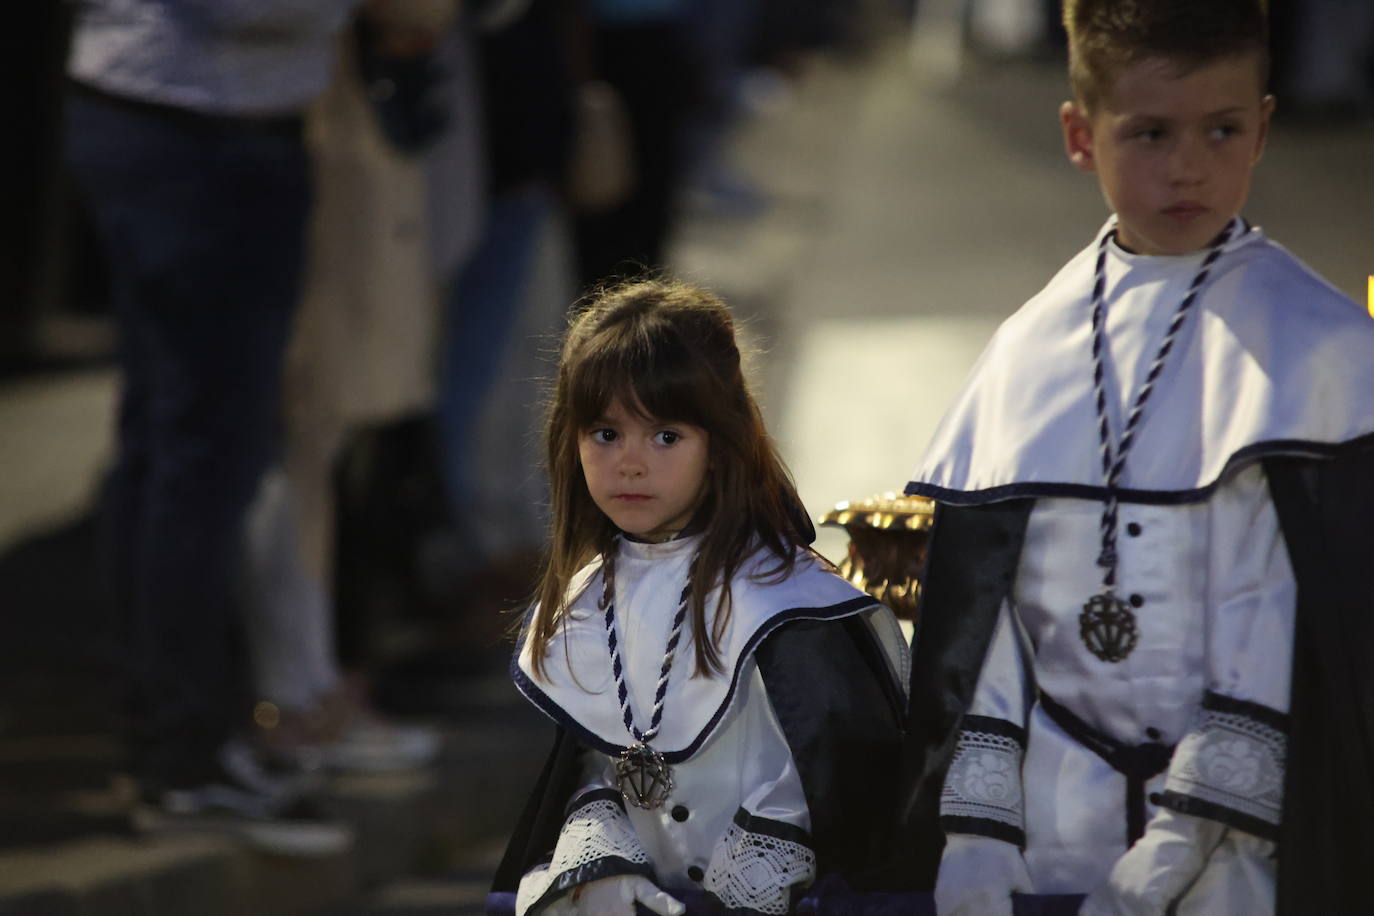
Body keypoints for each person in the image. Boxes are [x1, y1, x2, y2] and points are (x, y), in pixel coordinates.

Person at [897, 2, 1374, 914]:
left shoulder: (1319, 353)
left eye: (1222, 130)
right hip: (1049, 813)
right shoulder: (1026, 351)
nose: (1188, 166)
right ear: (1082, 135)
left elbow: (1281, 618)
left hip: (1245, 833)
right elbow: (987, 619)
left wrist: (1187, 839)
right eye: (1150, 133)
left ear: (1265, 128)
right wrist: (978, 830)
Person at [489, 280, 909, 915]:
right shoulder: (580, 602)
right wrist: (602, 870)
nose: (630, 463)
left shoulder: (787, 603)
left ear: (719, 444)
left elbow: (813, 781)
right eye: (605, 433)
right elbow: (594, 773)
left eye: (664, 437)